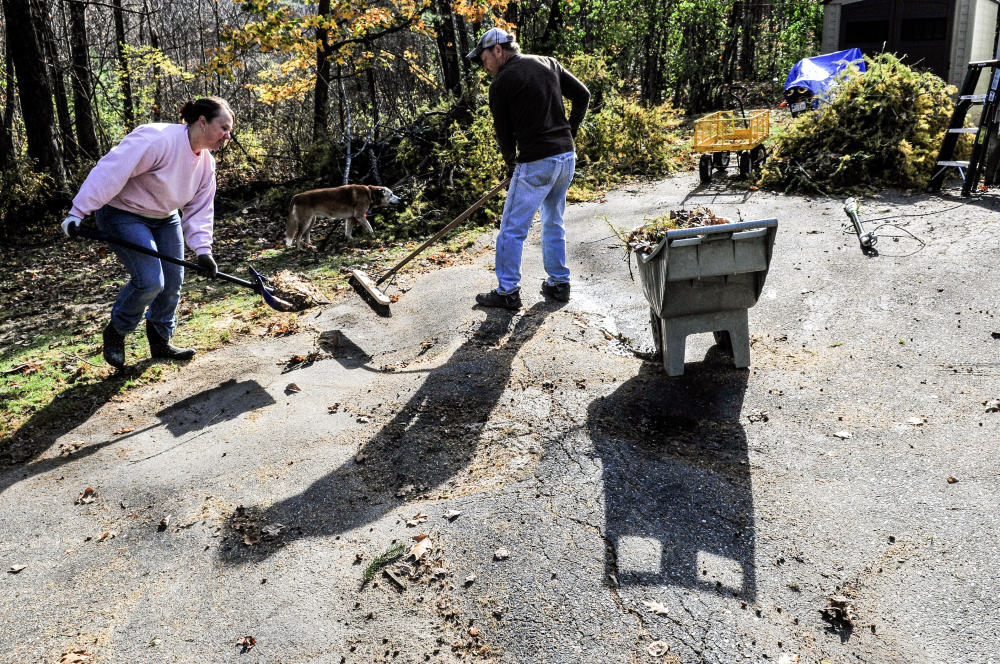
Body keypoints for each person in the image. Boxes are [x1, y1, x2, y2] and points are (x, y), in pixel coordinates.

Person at [61, 97, 233, 369]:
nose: (227, 136)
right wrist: (78, 211)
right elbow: (111, 170)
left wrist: (203, 251)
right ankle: (117, 331)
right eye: (224, 127)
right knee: (151, 280)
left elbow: (200, 208)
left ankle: (160, 341)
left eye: (229, 130)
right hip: (123, 213)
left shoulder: (206, 164)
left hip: (165, 218)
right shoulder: (158, 139)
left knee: (173, 280)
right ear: (202, 122)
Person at [467, 28, 590, 309]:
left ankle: (508, 291)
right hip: (565, 158)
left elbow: (504, 132)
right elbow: (583, 95)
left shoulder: (501, 83)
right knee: (552, 221)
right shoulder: (548, 63)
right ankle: (559, 284)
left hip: (536, 162)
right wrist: (569, 131)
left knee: (512, 229)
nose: (483, 65)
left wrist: (512, 165)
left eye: (484, 58)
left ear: (498, 50)